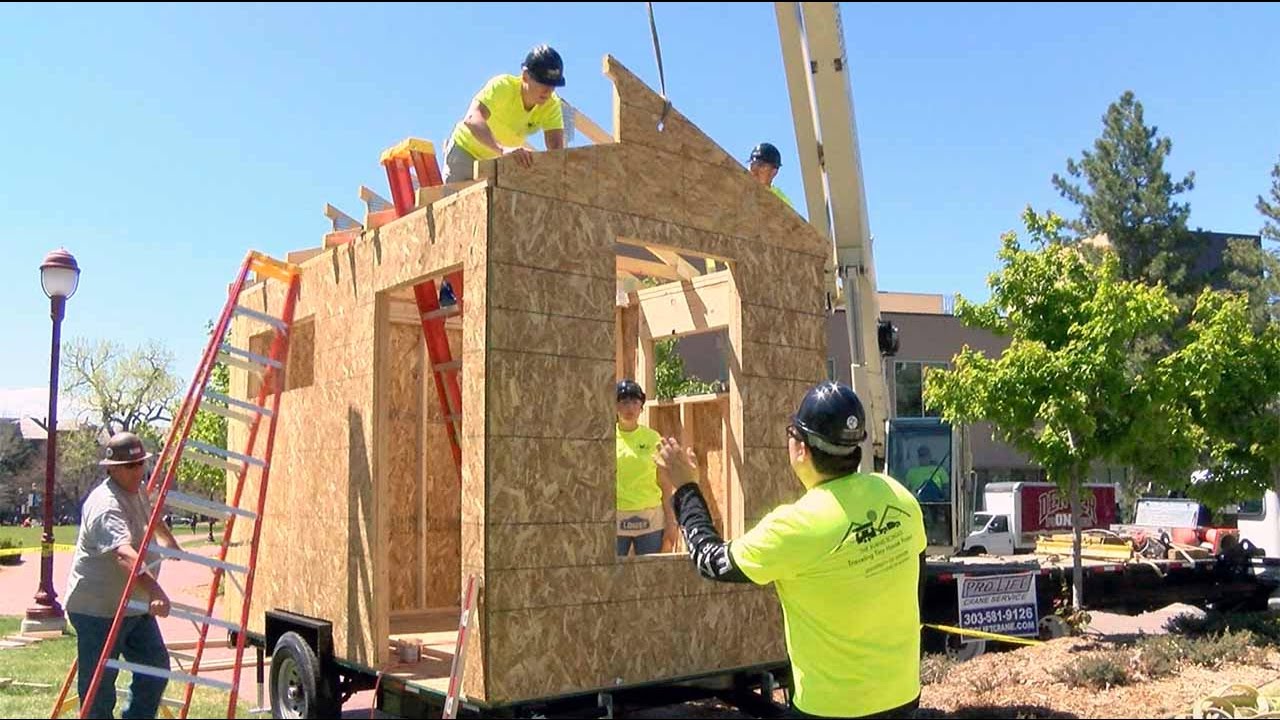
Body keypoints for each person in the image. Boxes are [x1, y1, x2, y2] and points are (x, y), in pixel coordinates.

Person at [656, 381, 926, 719]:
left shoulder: (795, 527)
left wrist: (685, 487)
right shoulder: (898, 497)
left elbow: (710, 560)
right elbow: (917, 585)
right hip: (901, 696)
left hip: (832, 710)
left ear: (801, 449)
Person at [65, 431, 182, 719]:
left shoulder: (137, 488)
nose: (138, 470)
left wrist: (169, 541)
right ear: (112, 468)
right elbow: (123, 554)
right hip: (97, 610)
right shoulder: (105, 505)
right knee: (99, 688)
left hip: (133, 605)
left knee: (155, 668)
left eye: (141, 463)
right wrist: (156, 590)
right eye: (131, 466)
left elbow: (151, 514)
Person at [441, 44, 568, 183]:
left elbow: (556, 152)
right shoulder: (503, 87)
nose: (548, 90)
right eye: (543, 83)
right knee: (456, 202)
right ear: (525, 76)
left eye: (553, 85)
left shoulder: (551, 105)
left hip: (497, 165)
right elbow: (472, 119)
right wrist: (502, 150)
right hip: (466, 153)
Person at [615, 380, 675, 556]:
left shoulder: (652, 438)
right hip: (616, 518)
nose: (630, 408)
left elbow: (664, 482)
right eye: (624, 402)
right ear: (615, 406)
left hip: (650, 518)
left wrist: (671, 522)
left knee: (651, 573)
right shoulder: (606, 438)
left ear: (641, 407)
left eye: (635, 402)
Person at [748, 142, 794, 208]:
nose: (754, 170)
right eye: (752, 165)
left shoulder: (781, 201)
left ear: (774, 172)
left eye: (761, 165)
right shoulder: (737, 187)